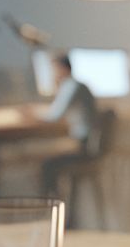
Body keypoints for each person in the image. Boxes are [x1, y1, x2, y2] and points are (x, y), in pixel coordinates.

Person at [39, 54, 100, 197]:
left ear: (62, 69)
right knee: (50, 156)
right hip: (90, 143)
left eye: (54, 71)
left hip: (84, 147)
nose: (53, 76)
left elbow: (54, 117)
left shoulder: (70, 86)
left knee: (47, 165)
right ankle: (63, 211)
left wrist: (32, 116)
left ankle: (54, 205)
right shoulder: (79, 85)